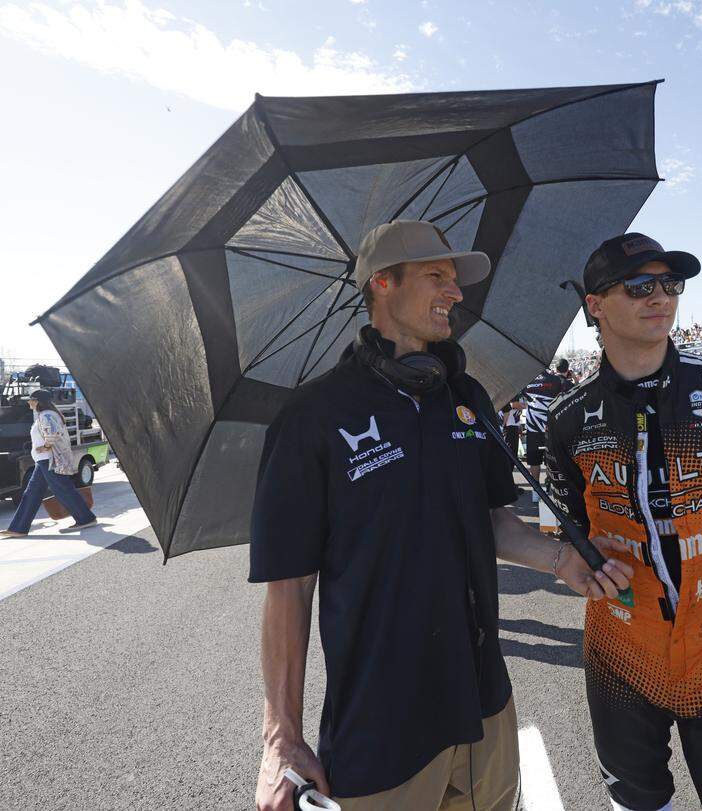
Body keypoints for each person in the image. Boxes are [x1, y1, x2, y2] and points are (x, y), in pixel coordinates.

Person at [249, 220, 632, 811]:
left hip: (484, 702)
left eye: (455, 281)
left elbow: (494, 520)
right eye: (436, 276)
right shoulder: (311, 418)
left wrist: (563, 560)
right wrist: (282, 737)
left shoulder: (466, 396)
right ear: (382, 283)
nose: (455, 293)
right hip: (381, 722)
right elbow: (290, 589)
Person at [544, 232, 702, 811]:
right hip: (621, 641)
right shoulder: (567, 416)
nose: (661, 296)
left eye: (670, 283)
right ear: (595, 306)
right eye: (639, 285)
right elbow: (571, 528)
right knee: (635, 798)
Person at [1, 390, 97, 538]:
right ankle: (19, 528)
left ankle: (86, 518)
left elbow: (53, 434)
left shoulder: (46, 415)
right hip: (43, 460)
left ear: (38, 401)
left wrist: (44, 447)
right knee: (31, 494)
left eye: (31, 400)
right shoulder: (46, 414)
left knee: (63, 489)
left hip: (48, 460)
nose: (29, 402)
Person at [523, 362, 573, 503]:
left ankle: (535, 491)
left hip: (533, 428)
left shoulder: (527, 381)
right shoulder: (556, 380)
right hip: (551, 427)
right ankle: (558, 490)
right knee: (555, 458)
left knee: (534, 461)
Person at [500, 394, 525, 459]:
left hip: (513, 425)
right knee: (509, 450)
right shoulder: (512, 397)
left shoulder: (519, 395)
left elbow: (520, 407)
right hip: (509, 426)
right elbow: (514, 406)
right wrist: (504, 425)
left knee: (513, 451)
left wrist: (519, 424)